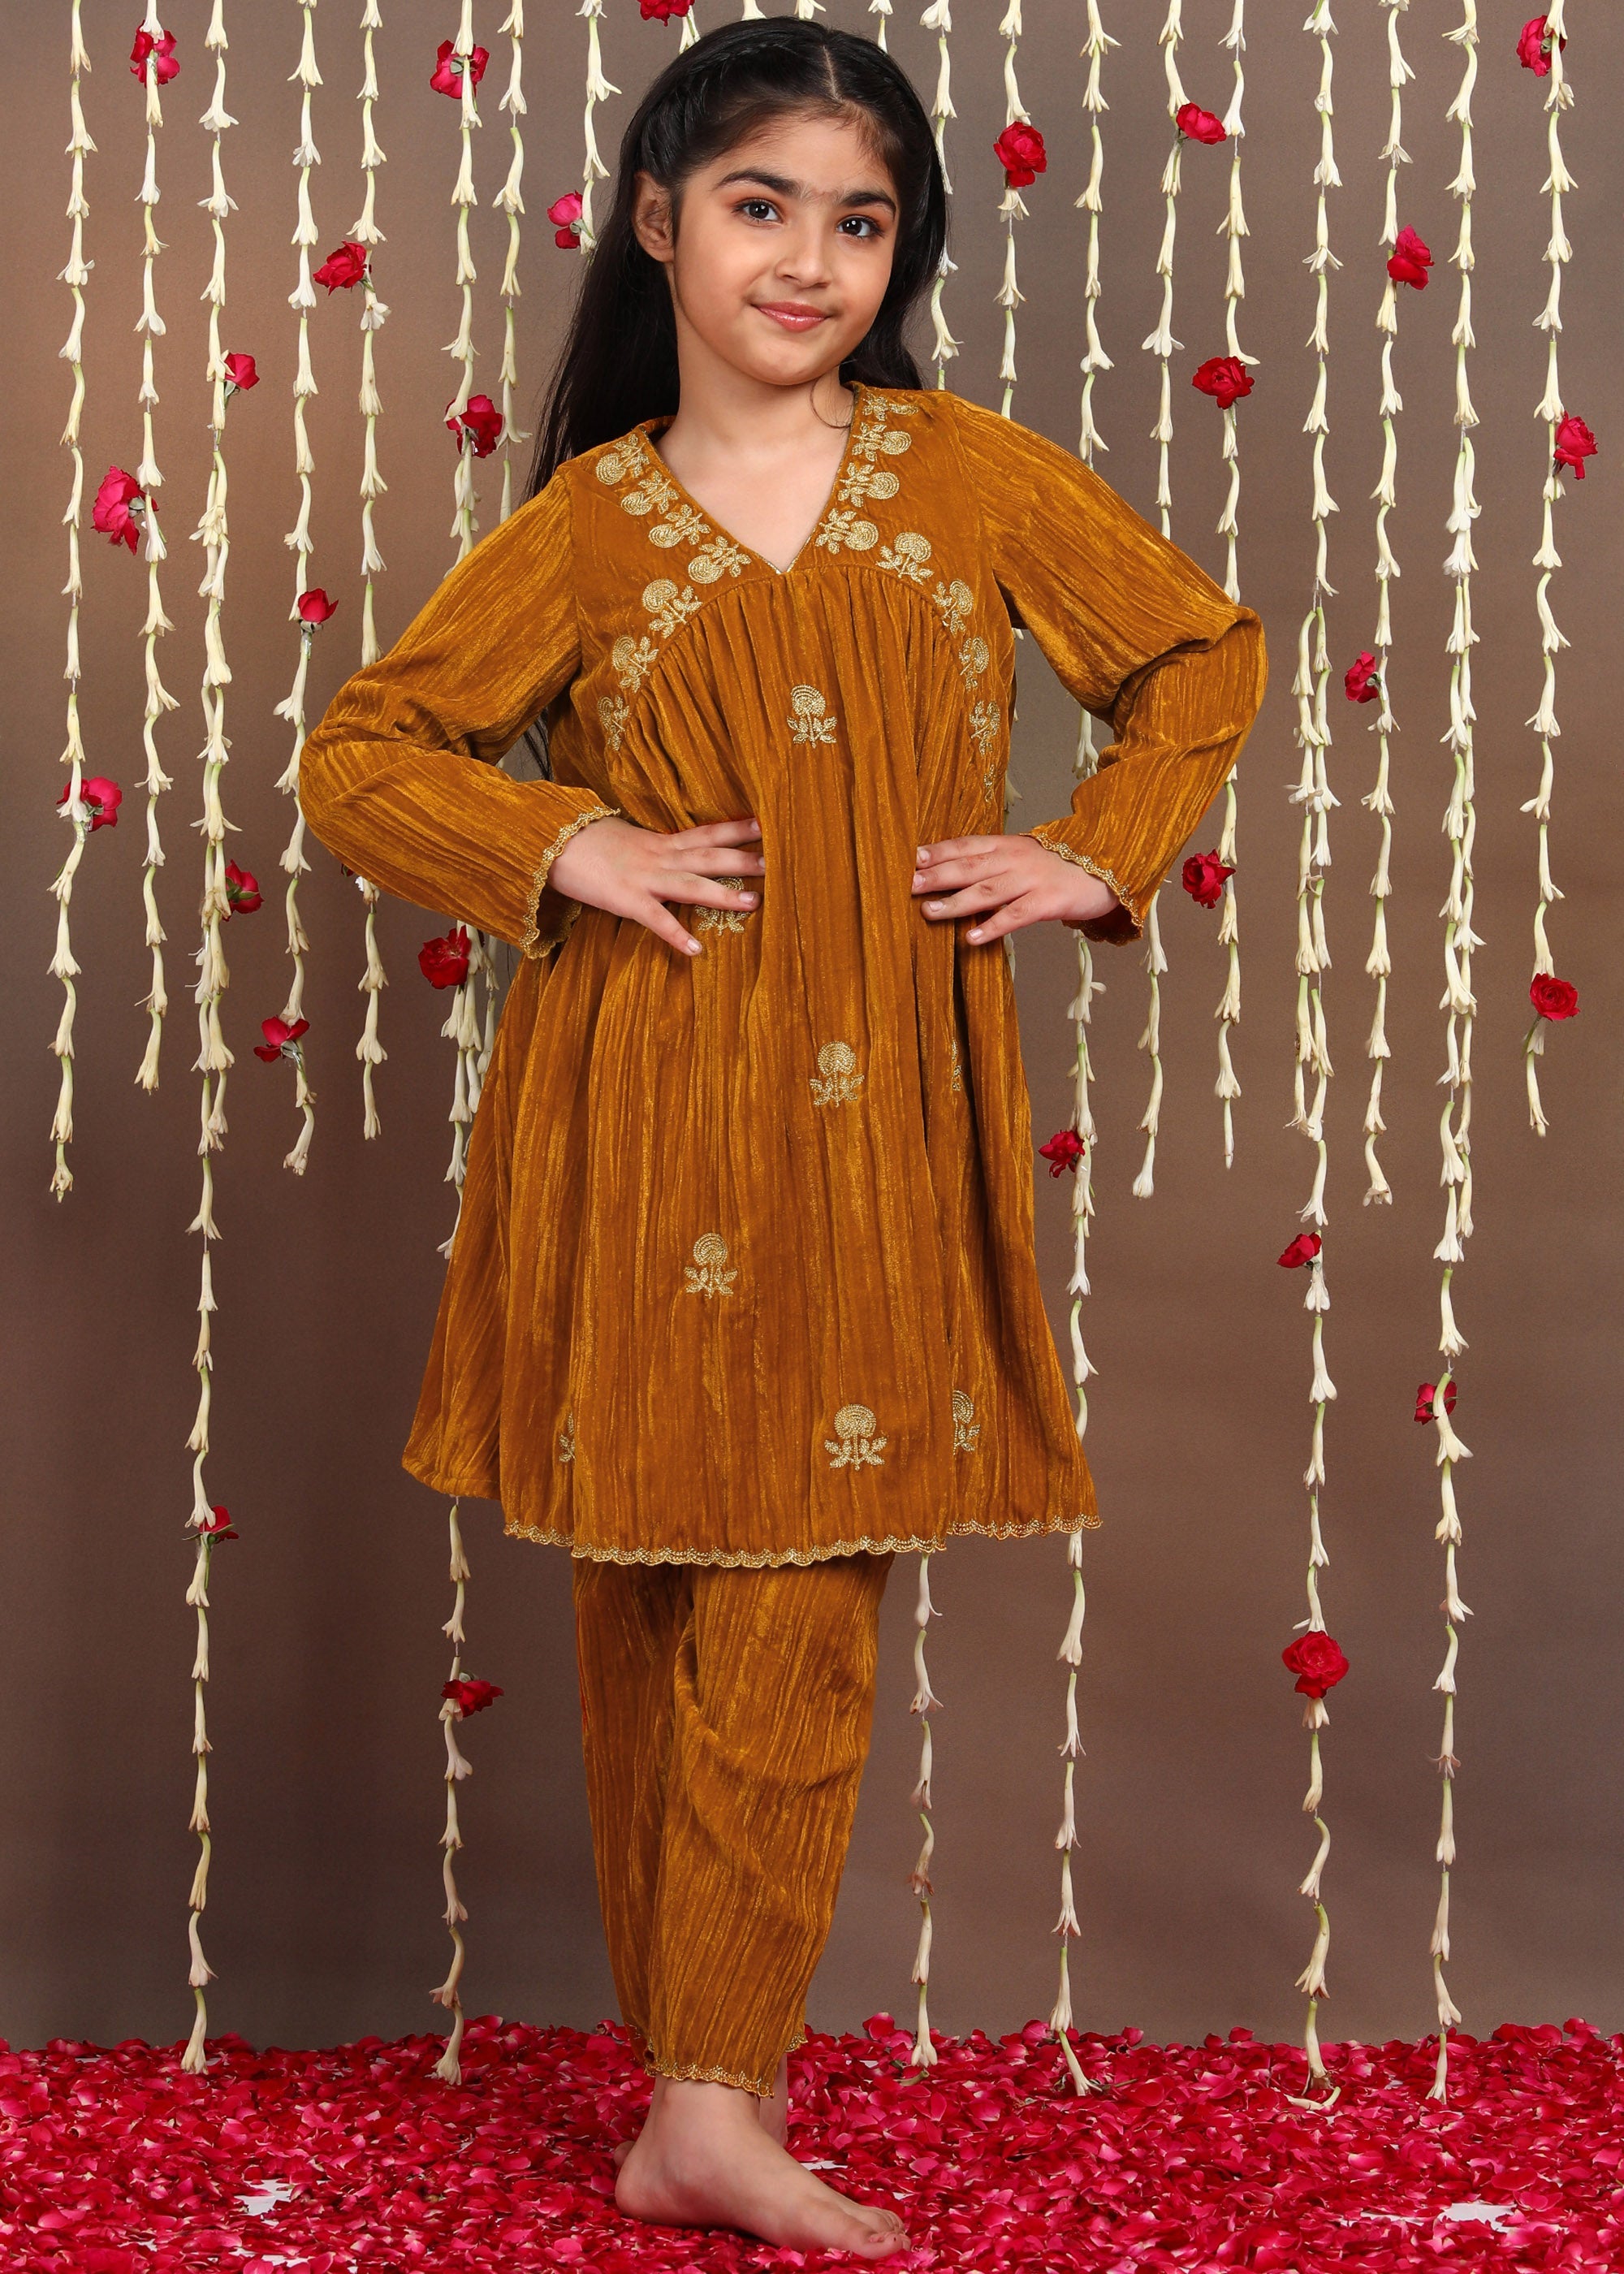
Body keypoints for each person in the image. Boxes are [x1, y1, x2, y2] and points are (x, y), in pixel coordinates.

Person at [299, 19, 1266, 2260]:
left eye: (861, 219)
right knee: (651, 1599)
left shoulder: (972, 478)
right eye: (761, 206)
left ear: (900, 253)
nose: (810, 259)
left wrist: (1091, 854)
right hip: (634, 1112)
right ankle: (697, 2096)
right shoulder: (586, 524)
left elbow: (1195, 661)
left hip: (870, 1129)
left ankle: (712, 2098)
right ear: (658, 222)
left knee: (800, 1598)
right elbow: (365, 755)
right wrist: (564, 844)